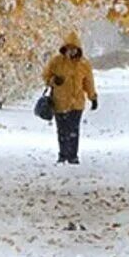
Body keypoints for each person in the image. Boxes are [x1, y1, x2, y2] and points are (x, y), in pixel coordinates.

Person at [43, 31, 97, 164]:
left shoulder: (84, 64)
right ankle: (63, 154)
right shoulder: (56, 62)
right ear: (64, 48)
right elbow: (46, 76)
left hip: (77, 102)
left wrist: (93, 97)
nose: (71, 51)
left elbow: (88, 82)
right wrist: (54, 80)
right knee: (62, 129)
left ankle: (73, 155)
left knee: (74, 129)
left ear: (78, 49)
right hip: (59, 101)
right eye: (69, 48)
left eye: (74, 48)